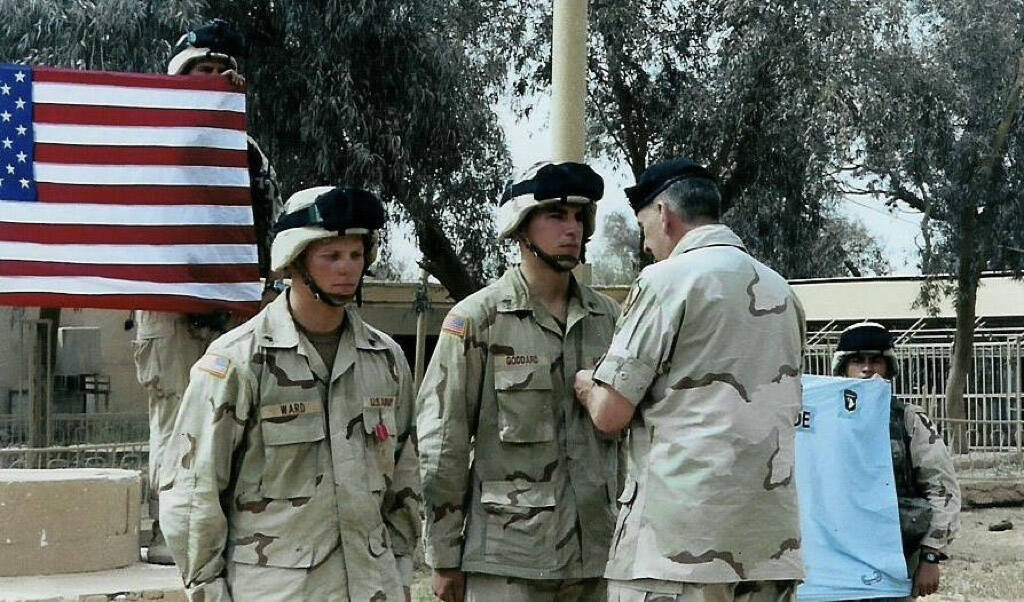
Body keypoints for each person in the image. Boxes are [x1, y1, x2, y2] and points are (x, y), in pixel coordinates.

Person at [158, 187, 420, 602]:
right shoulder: (239, 362)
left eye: (356, 255)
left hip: (372, 587)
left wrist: (400, 568)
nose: (347, 269)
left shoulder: (385, 360)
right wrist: (207, 589)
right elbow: (194, 491)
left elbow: (405, 474)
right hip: (277, 590)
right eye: (331, 256)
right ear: (295, 261)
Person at [574, 158, 806, 602]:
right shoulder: (781, 290)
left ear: (663, 214)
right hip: (769, 545)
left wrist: (586, 383)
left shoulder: (665, 280)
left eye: (643, 229)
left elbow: (609, 413)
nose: (645, 245)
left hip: (677, 549)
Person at [417, 161, 622, 602]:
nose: (572, 229)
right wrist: (444, 555)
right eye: (555, 215)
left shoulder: (611, 320)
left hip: (601, 555)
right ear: (520, 227)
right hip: (509, 562)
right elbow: (442, 445)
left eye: (578, 218)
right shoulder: (477, 322)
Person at [132, 18, 282, 564]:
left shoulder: (248, 152)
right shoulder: (153, 141)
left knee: (233, 418)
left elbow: (267, 225)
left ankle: (227, 531)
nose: (214, 78)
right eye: (202, 70)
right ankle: (173, 537)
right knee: (176, 419)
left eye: (223, 71)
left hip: (232, 309)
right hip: (167, 311)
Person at [831, 322, 961, 600]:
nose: (867, 368)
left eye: (876, 360)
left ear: (889, 367)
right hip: (833, 554)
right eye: (857, 360)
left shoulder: (908, 419)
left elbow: (942, 489)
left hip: (895, 555)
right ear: (843, 368)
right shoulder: (822, 420)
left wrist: (930, 556)